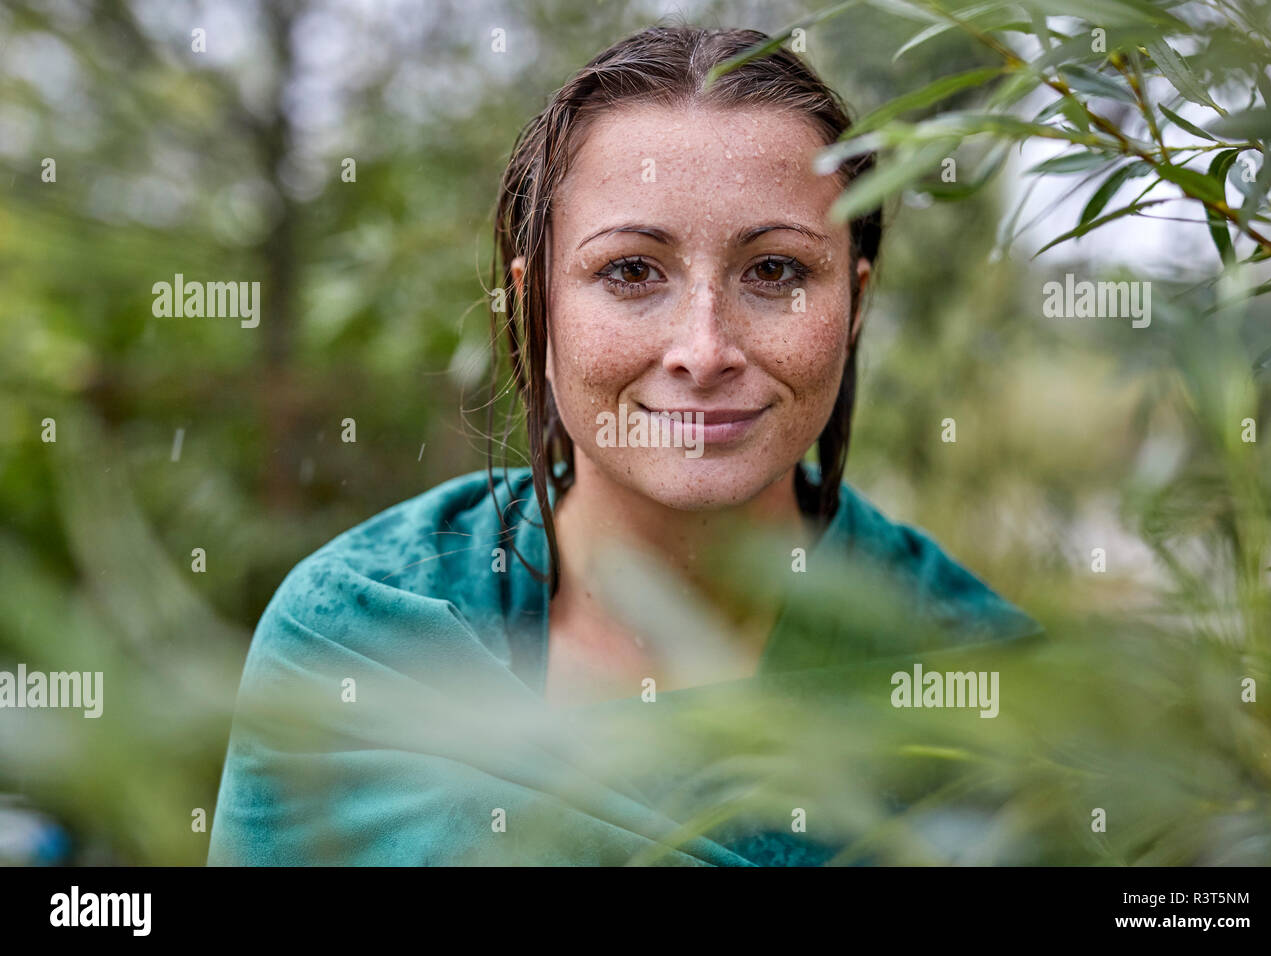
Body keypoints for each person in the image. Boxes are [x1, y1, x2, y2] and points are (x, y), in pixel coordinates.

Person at [208, 24, 1040, 867]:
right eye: (633, 272)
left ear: (854, 305)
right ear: (535, 304)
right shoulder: (357, 637)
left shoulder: (988, 681)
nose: (705, 350)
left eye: (777, 271)